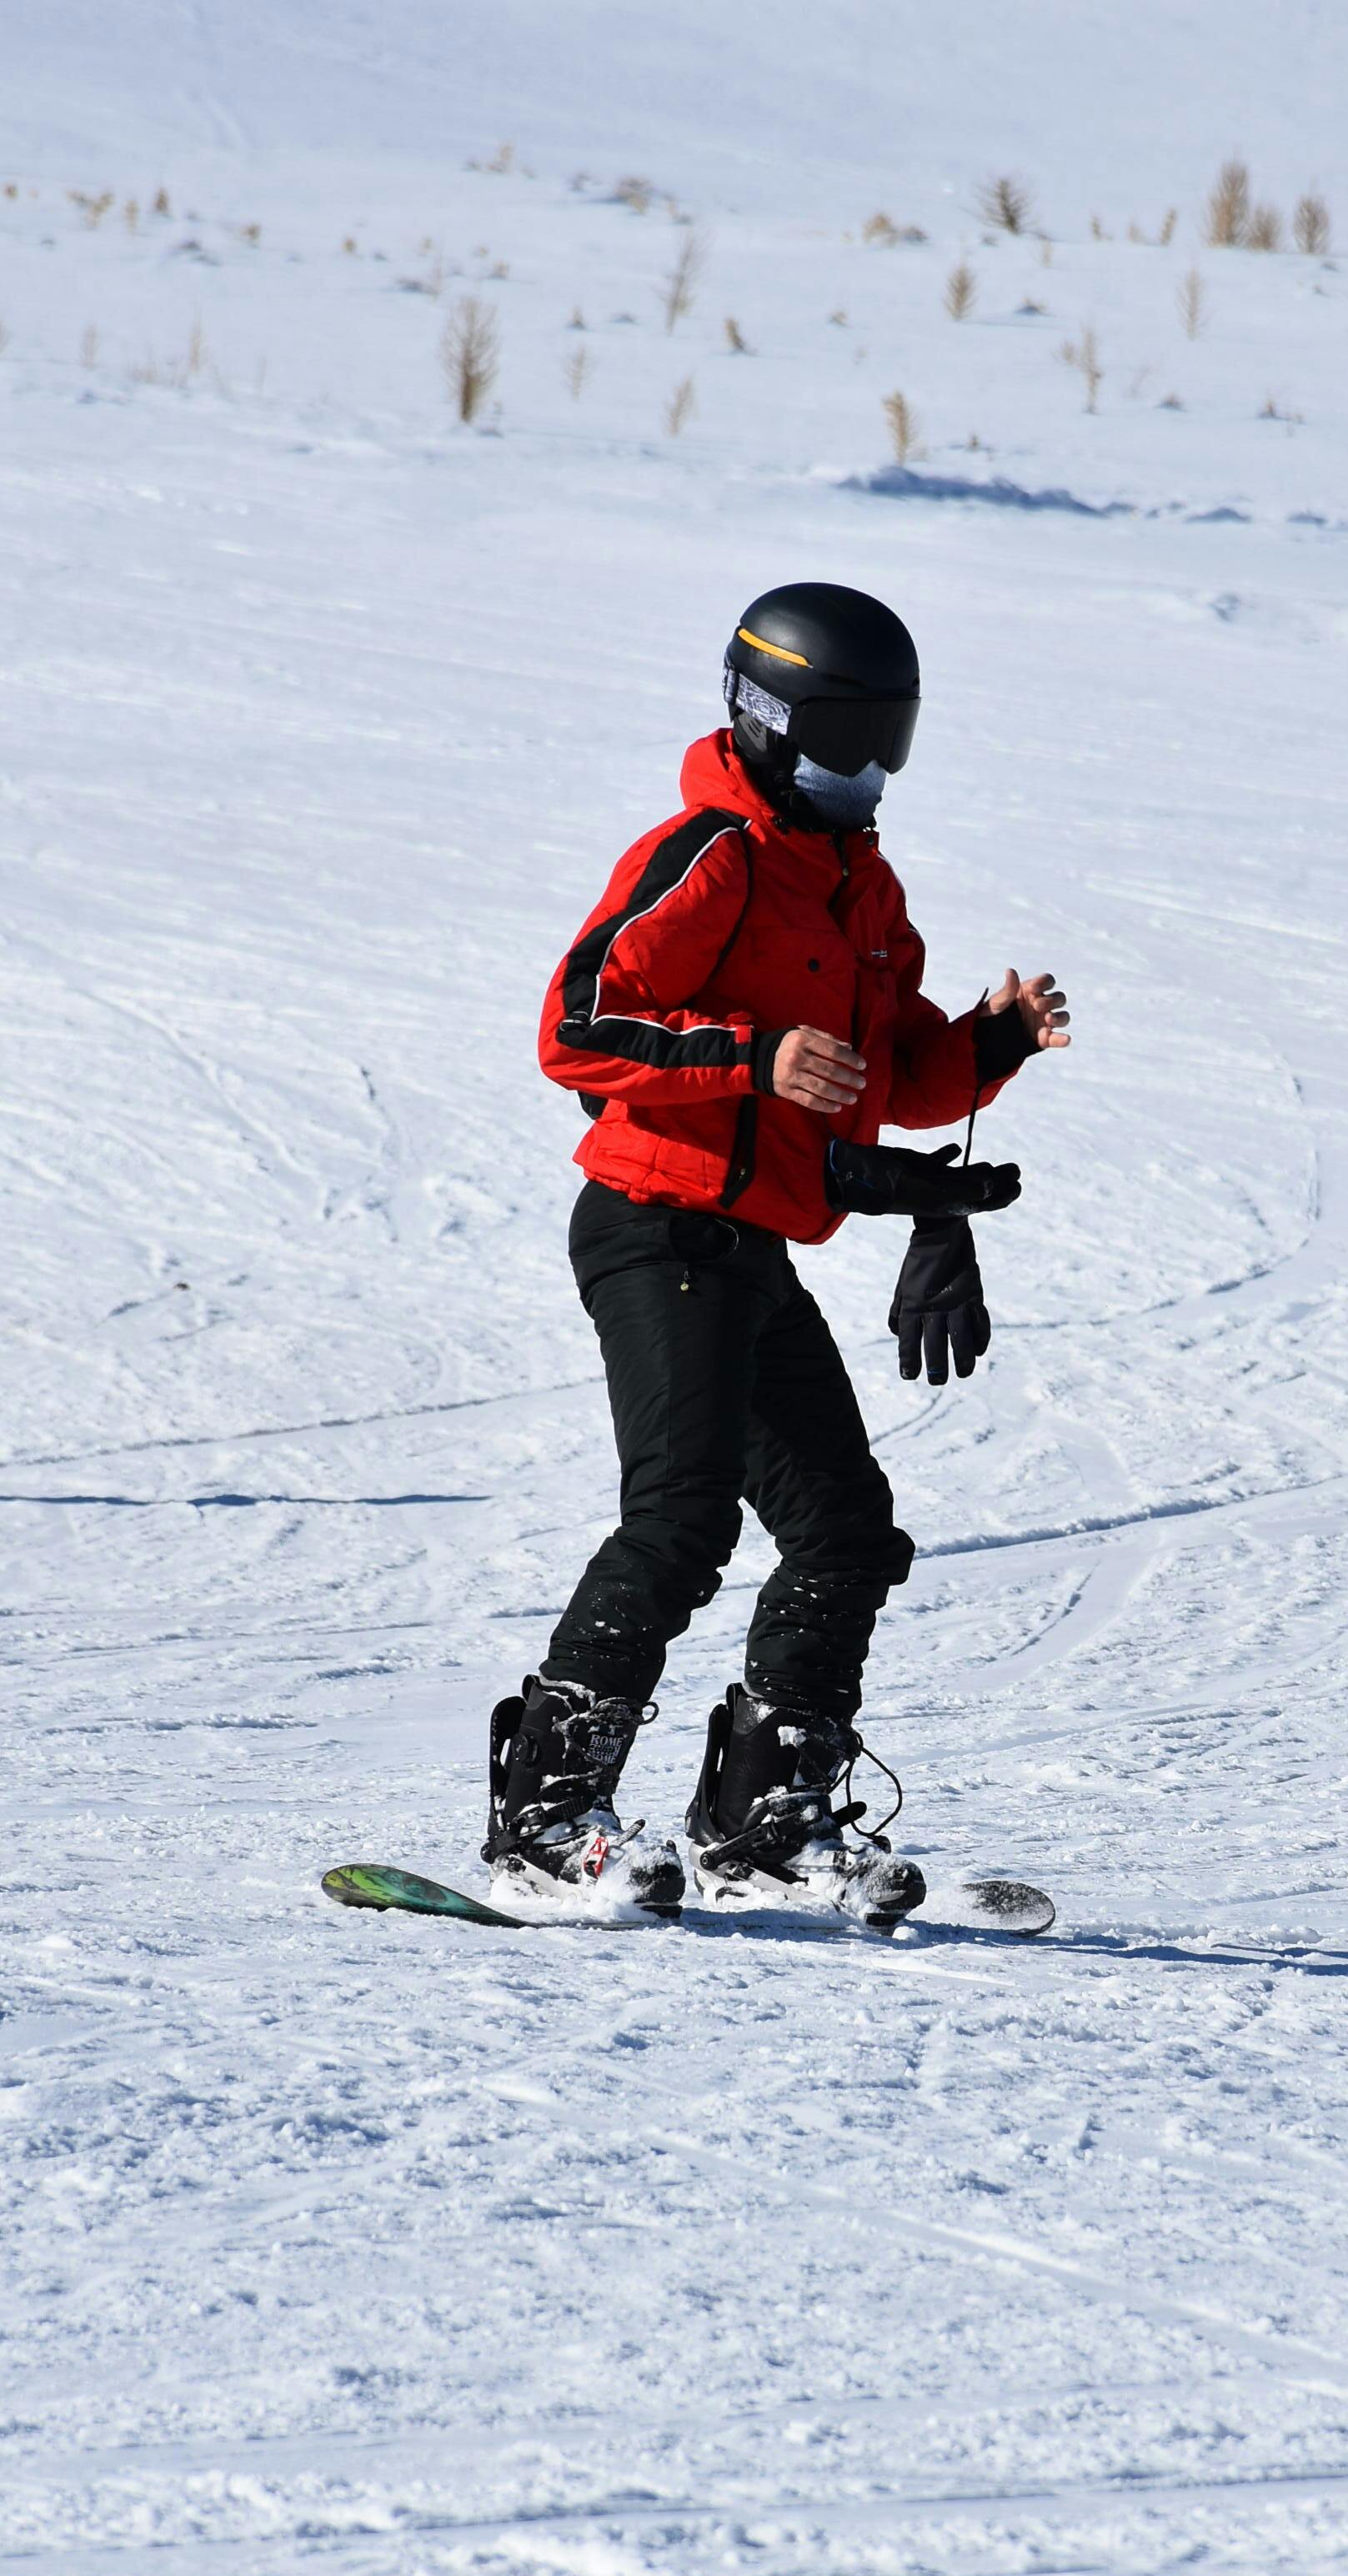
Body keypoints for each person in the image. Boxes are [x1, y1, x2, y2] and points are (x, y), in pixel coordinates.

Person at [482, 581, 1070, 1924]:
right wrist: (752, 1055)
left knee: (845, 1529)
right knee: (681, 1519)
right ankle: (545, 1818)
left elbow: (887, 1075)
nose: (863, 774)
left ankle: (765, 1822)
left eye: (885, 744)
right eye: (839, 741)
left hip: (748, 1251)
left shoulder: (860, 888)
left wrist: (987, 1046)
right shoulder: (712, 859)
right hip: (654, 1224)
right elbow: (577, 1024)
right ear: (762, 720)